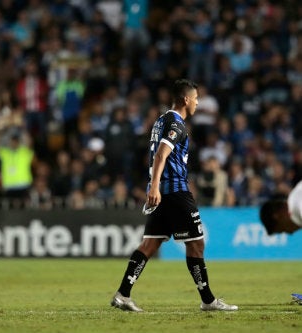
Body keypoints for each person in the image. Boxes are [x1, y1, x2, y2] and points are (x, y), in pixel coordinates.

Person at [110, 79, 238, 312]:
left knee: (150, 244)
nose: (198, 103)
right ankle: (208, 300)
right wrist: (155, 186)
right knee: (196, 244)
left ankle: (123, 294)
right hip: (175, 192)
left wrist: (154, 187)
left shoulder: (160, 121)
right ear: (186, 100)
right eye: (196, 98)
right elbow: (161, 154)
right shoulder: (176, 124)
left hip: (162, 193)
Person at [259, 182, 302, 305]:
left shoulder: (299, 205)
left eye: (281, 229)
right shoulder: (295, 199)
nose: (289, 233)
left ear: (277, 216)